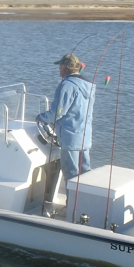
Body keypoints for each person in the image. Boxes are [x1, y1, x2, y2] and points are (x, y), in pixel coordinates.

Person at [36, 53, 95, 181]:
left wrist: (41, 117)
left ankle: (71, 201)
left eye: (60, 66)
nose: (59, 69)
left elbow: (57, 112)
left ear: (67, 67)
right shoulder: (88, 85)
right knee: (86, 174)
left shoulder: (67, 85)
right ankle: (83, 201)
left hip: (70, 138)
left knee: (71, 175)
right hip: (85, 137)